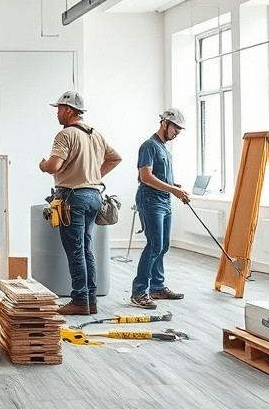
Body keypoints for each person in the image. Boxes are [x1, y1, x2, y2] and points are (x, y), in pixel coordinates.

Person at [39, 91, 121, 316]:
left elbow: (55, 166)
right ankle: (90, 300)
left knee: (76, 251)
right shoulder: (96, 135)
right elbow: (115, 158)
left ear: (68, 110)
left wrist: (44, 165)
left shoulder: (65, 135)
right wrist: (93, 176)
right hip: (94, 197)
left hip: (72, 197)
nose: (57, 113)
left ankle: (79, 300)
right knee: (86, 249)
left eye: (58, 109)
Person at [130, 108, 191, 310]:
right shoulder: (149, 146)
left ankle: (157, 287)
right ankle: (139, 291)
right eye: (175, 129)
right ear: (164, 123)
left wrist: (174, 186)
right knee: (154, 245)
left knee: (163, 246)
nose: (177, 133)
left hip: (164, 201)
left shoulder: (164, 148)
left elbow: (160, 177)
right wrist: (173, 189)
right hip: (150, 200)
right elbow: (146, 177)